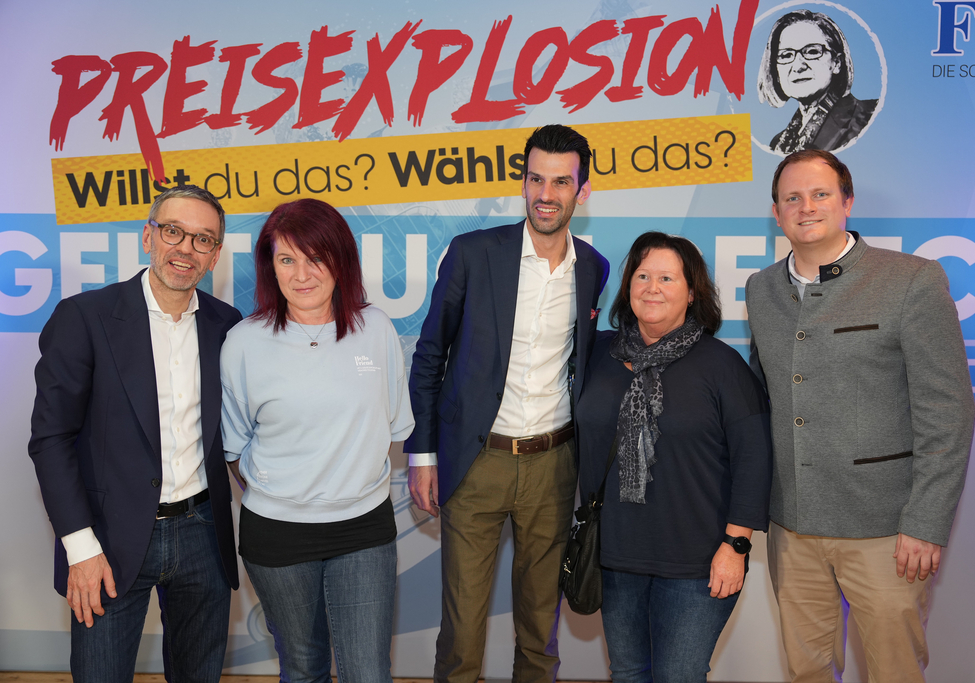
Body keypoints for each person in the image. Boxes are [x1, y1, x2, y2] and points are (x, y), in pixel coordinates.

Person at [745, 149, 975, 682]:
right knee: (806, 671)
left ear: (847, 201)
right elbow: (763, 398)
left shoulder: (911, 280)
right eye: (792, 198)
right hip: (792, 528)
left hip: (887, 532)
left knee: (895, 672)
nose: (806, 207)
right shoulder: (760, 289)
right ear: (776, 213)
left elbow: (948, 413)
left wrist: (925, 523)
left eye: (820, 194)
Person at [405, 124, 610, 682]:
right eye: (536, 179)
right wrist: (422, 454)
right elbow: (430, 354)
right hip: (477, 462)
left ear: (582, 191)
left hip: (554, 467)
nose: (546, 194)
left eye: (561, 182)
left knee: (540, 631)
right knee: (462, 634)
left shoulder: (593, 268)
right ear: (523, 183)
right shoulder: (473, 254)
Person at [28, 185, 241, 682]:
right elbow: (51, 439)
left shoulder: (227, 325)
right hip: (106, 539)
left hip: (203, 534)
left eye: (203, 239)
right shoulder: (84, 317)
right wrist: (79, 547)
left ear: (214, 256)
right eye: (173, 232)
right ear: (148, 236)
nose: (185, 249)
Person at [219, 198, 413, 683]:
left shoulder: (376, 329)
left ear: (340, 260)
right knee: (303, 667)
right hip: (277, 535)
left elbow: (391, 425)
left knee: (368, 673)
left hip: (363, 528)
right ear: (271, 267)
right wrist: (286, 495)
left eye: (316, 258)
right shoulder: (243, 342)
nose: (301, 274)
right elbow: (234, 447)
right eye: (287, 259)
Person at [577, 232, 772, 682]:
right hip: (616, 555)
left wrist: (736, 546)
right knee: (628, 673)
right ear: (628, 287)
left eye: (667, 278)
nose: (653, 288)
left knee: (678, 676)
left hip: (697, 563)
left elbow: (754, 460)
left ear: (692, 292)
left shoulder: (722, 366)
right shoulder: (599, 354)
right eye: (642, 276)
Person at [757, 9, 877, 153]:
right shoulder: (777, 144)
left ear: (837, 63)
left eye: (812, 52)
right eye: (786, 55)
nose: (798, 66)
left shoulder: (871, 116)